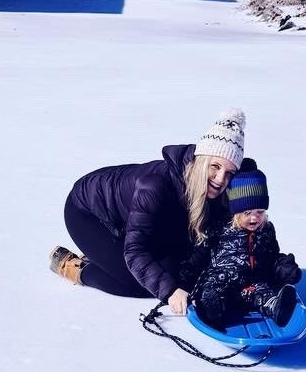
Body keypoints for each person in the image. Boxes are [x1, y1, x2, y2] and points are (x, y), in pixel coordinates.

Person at [50, 109, 254, 314]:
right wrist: (171, 291)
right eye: (215, 166)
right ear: (201, 161)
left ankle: (107, 256)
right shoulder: (154, 187)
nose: (220, 179)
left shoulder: (214, 187)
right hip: (89, 214)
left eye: (229, 172)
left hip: (132, 216)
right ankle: (75, 267)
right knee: (137, 283)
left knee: (177, 271)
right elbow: (135, 251)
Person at [187, 166, 302, 329]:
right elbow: (201, 254)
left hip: (250, 285)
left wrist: (283, 268)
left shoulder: (267, 230)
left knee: (262, 291)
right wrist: (186, 276)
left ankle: (277, 307)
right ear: (235, 212)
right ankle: (211, 309)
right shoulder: (220, 229)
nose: (255, 217)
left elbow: (271, 257)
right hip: (222, 280)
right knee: (213, 288)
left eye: (260, 211)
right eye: (247, 212)